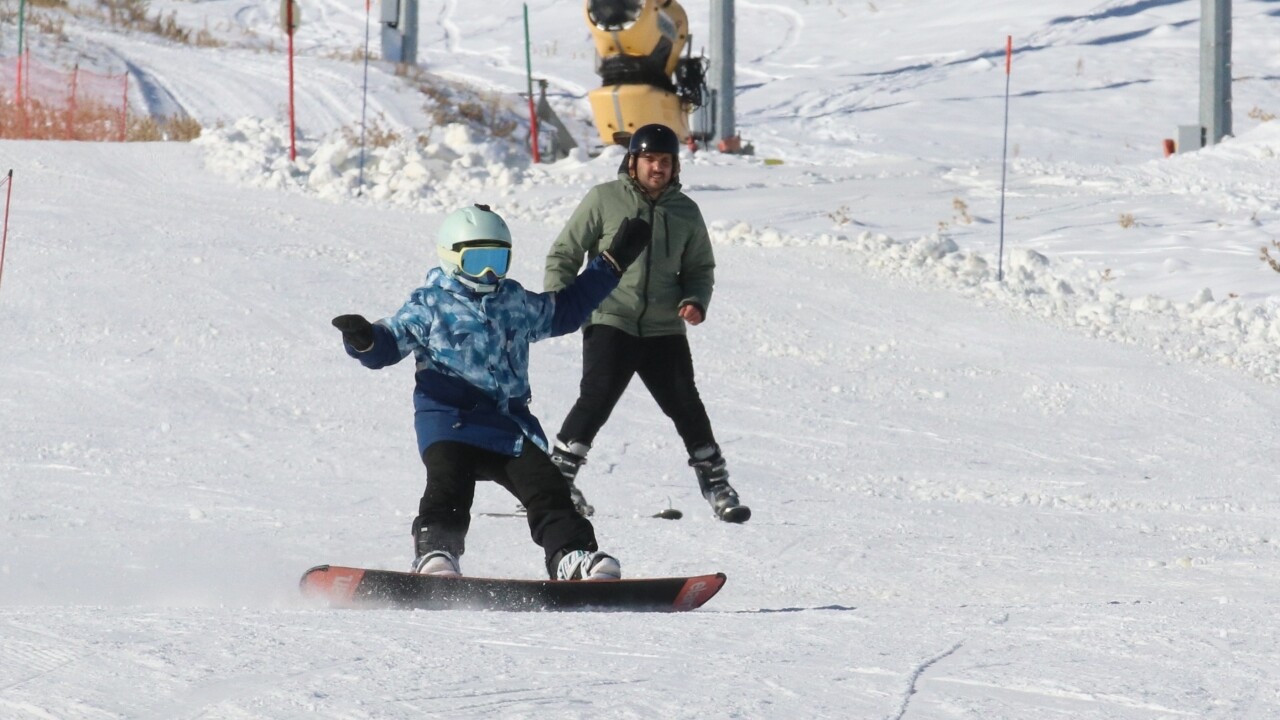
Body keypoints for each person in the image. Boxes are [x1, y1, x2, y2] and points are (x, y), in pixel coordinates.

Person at [332, 203, 652, 580]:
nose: (488, 273)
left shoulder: (512, 300)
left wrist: (612, 263)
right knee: (448, 485)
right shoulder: (430, 304)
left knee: (548, 487)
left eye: (498, 261)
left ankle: (572, 556)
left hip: (507, 426)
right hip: (450, 420)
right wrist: (366, 340)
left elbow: (565, 311)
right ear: (451, 258)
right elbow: (390, 342)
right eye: (477, 261)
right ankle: (436, 554)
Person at [543, 123, 750, 523]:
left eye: (666, 161)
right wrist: (560, 302)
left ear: (675, 167)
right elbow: (565, 252)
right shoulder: (604, 199)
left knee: (685, 403)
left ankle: (716, 484)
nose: (658, 168)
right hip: (609, 315)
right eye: (650, 159)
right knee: (597, 396)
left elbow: (700, 268)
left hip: (662, 326)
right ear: (633, 161)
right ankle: (556, 483)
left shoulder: (686, 212)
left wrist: (695, 300)